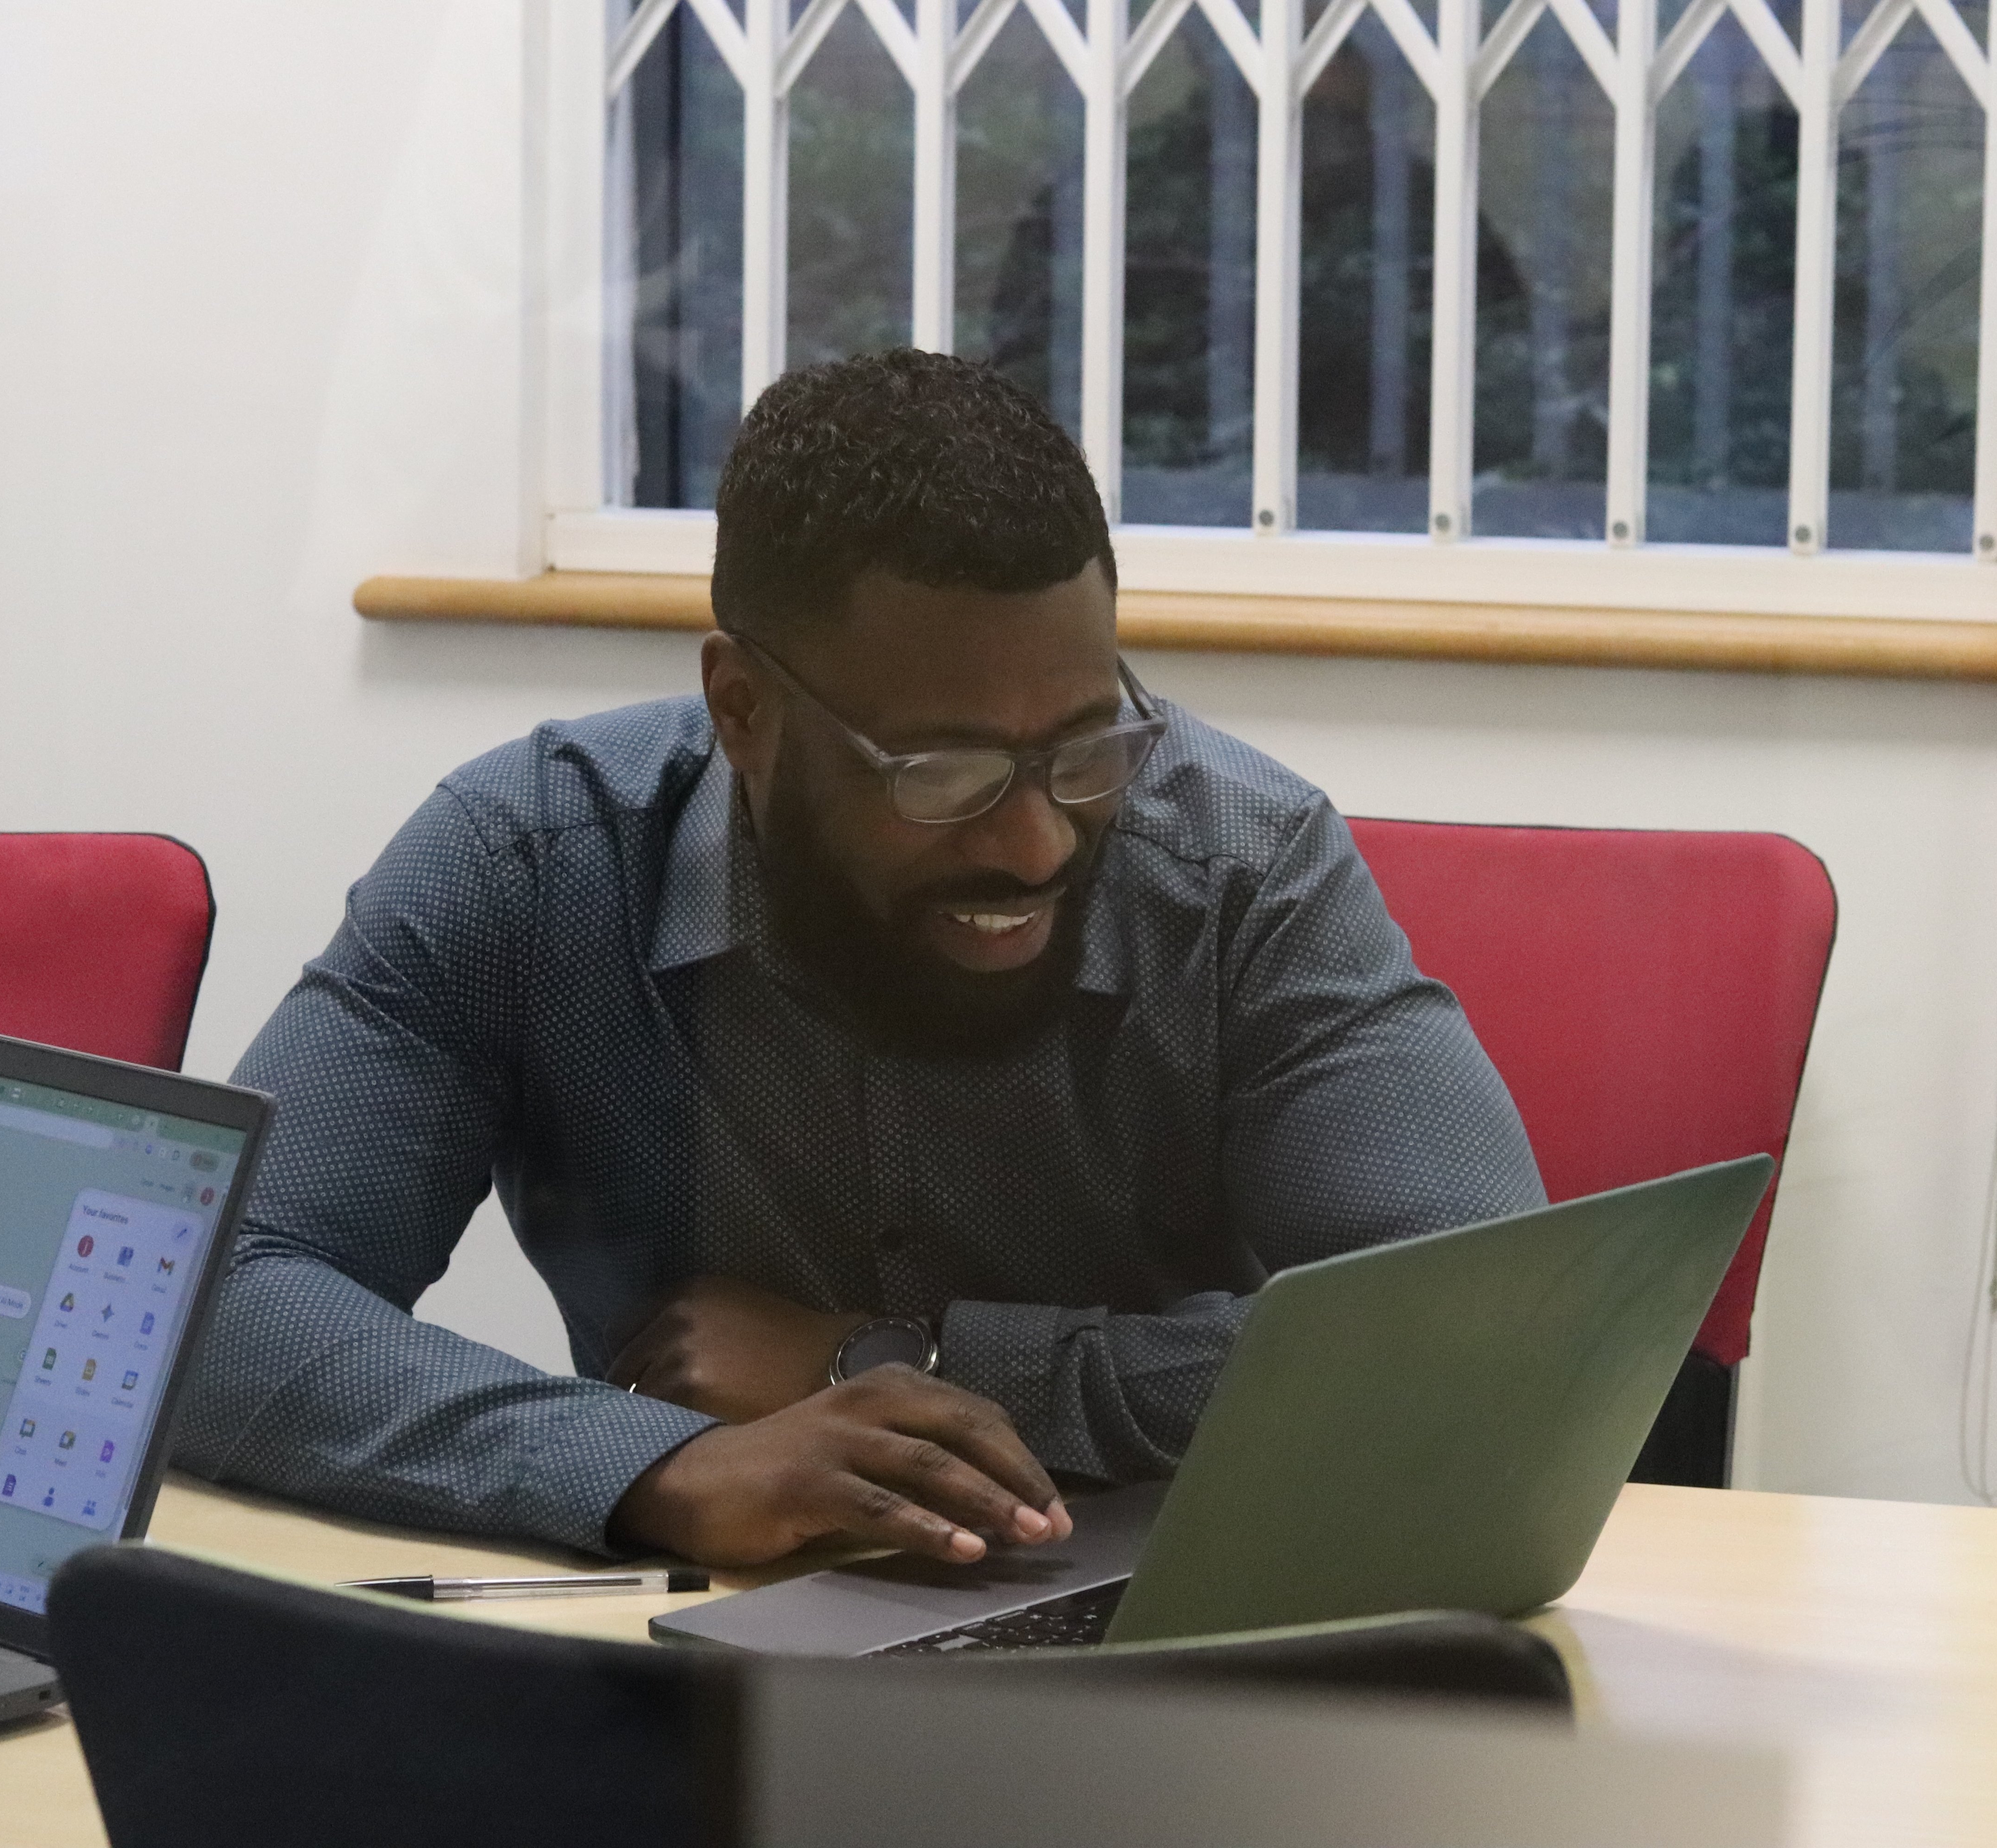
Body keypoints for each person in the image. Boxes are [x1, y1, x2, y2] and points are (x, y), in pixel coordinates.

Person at [176, 350, 1543, 1569]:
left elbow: (1482, 1341)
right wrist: (658, 1469)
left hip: (1162, 1635)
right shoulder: (533, 860)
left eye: (1085, 748)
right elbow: (214, 1297)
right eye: (941, 769)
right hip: (682, 1665)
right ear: (744, 709)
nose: (1031, 844)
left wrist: (899, 1367)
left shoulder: (1244, 870)